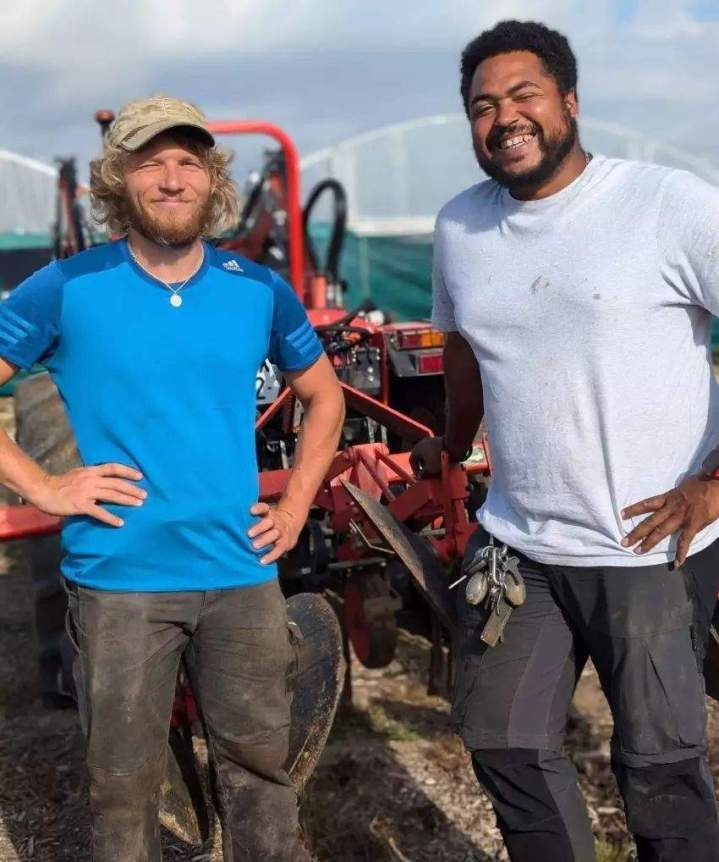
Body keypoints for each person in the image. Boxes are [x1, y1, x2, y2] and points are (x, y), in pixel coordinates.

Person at [0, 95, 345, 861]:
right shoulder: (66, 285)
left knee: (262, 779)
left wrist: (291, 510)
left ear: (209, 177)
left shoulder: (256, 287)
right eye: (149, 161)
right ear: (118, 180)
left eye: (187, 160)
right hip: (121, 583)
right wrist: (47, 488)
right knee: (121, 790)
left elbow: (324, 399)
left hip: (241, 575)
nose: (170, 178)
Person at [411, 19, 719, 862]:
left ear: (568, 103)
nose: (503, 117)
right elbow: (467, 351)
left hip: (650, 546)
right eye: (481, 105)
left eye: (522, 96)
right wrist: (450, 439)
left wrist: (713, 483)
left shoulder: (666, 203)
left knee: (659, 766)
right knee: (502, 740)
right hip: (522, 543)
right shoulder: (459, 227)